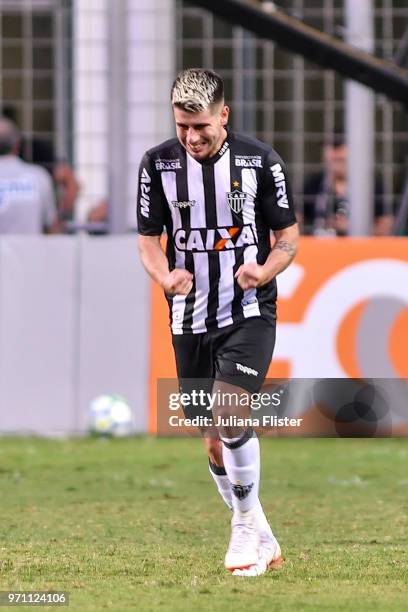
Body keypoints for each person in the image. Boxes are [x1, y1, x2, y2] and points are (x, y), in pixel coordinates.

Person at [137, 68, 299, 577]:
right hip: (188, 313)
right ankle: (262, 533)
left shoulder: (259, 161)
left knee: (231, 411)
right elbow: (147, 240)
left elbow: (289, 238)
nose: (192, 137)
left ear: (223, 115)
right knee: (210, 437)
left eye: (201, 126)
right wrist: (165, 275)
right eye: (183, 126)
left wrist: (265, 269)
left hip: (249, 308)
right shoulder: (157, 164)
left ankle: (243, 526)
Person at [303, 134, 393, 236]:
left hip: (360, 248)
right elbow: (294, 222)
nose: (336, 155)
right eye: (334, 159)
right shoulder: (313, 184)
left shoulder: (372, 185)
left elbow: (386, 228)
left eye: (341, 160)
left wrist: (351, 227)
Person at [0, 117, 60, 234]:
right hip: (30, 251)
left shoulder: (39, 176)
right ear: (17, 144)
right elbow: (51, 225)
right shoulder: (39, 177)